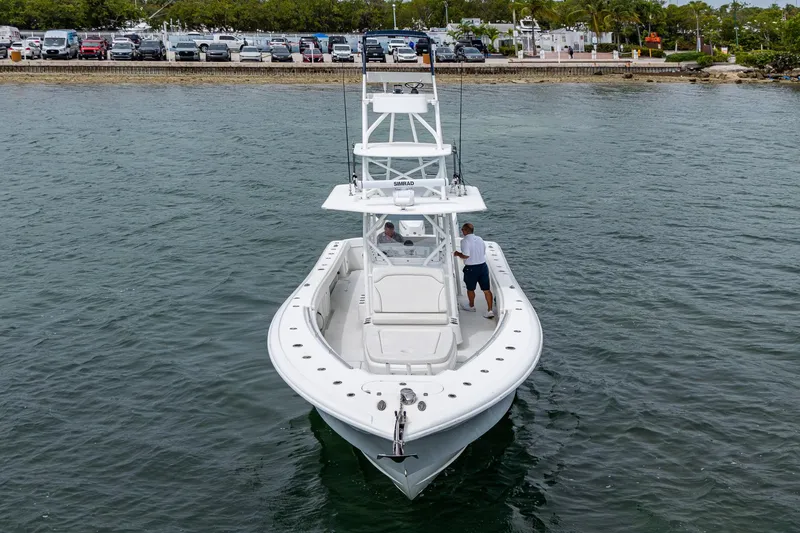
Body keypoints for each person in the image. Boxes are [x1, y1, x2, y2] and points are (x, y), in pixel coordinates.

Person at [453, 223, 494, 318]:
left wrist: (457, 254)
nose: (462, 231)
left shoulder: (464, 241)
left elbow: (466, 255)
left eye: (462, 229)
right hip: (483, 266)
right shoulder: (479, 239)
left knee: (470, 289)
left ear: (466, 231)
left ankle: (471, 306)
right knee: (486, 289)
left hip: (471, 268)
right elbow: (483, 250)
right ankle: (490, 310)